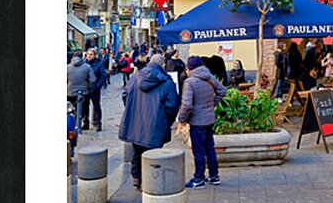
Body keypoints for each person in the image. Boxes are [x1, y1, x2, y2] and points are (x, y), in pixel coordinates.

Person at [118, 53, 179, 190]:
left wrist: (132, 110)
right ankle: (151, 179)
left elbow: (125, 95)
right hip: (156, 123)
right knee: (154, 152)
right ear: (163, 65)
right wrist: (166, 121)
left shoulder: (135, 77)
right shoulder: (167, 82)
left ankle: (137, 178)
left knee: (137, 150)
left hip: (136, 122)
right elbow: (172, 106)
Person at [177, 55, 227, 188]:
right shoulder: (209, 76)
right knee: (210, 148)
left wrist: (182, 119)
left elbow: (186, 105)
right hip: (209, 119)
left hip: (197, 121)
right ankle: (214, 175)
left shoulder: (190, 82)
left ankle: (199, 178)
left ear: (189, 67)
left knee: (198, 150)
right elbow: (222, 91)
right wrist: (211, 104)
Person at [67, 53, 95, 130]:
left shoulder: (67, 67)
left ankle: (71, 124)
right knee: (85, 109)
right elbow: (92, 80)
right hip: (84, 92)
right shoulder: (87, 67)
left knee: (69, 109)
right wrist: (88, 87)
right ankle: (85, 123)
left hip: (70, 92)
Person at [86, 48, 107, 131]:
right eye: (88, 54)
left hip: (95, 89)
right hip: (86, 89)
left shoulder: (99, 64)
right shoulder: (85, 64)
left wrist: (98, 86)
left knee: (96, 106)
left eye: (91, 54)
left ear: (95, 55)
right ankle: (86, 122)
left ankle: (97, 123)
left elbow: (103, 76)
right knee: (85, 107)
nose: (89, 56)